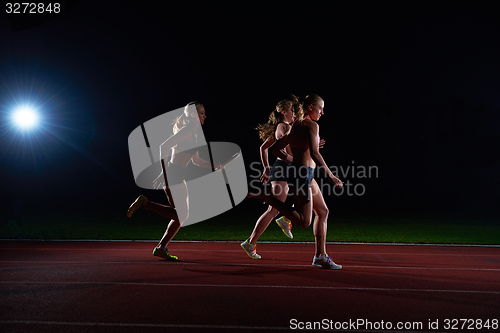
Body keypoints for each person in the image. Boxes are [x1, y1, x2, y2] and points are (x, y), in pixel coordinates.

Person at [248, 94, 344, 269]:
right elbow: (315, 154)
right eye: (320, 108)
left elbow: (276, 148)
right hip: (303, 174)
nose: (322, 112)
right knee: (303, 221)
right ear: (310, 107)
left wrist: (298, 158)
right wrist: (330, 176)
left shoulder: (296, 126)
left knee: (323, 212)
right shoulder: (312, 125)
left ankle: (320, 256)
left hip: (305, 173)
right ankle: (266, 197)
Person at [127, 101, 213, 261]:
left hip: (179, 175)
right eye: (202, 112)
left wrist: (216, 165)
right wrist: (163, 172)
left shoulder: (194, 134)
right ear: (193, 114)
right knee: (181, 215)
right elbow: (163, 147)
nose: (204, 116)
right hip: (174, 174)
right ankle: (145, 204)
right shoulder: (187, 130)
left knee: (181, 215)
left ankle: (161, 247)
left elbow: (197, 161)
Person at [241, 98, 297, 259]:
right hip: (283, 169)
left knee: (305, 196)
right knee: (274, 209)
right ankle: (251, 242)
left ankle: (285, 219)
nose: (295, 113)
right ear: (283, 112)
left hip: (284, 169)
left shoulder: (282, 128)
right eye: (292, 110)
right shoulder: (284, 127)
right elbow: (281, 149)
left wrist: (266, 169)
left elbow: (263, 148)